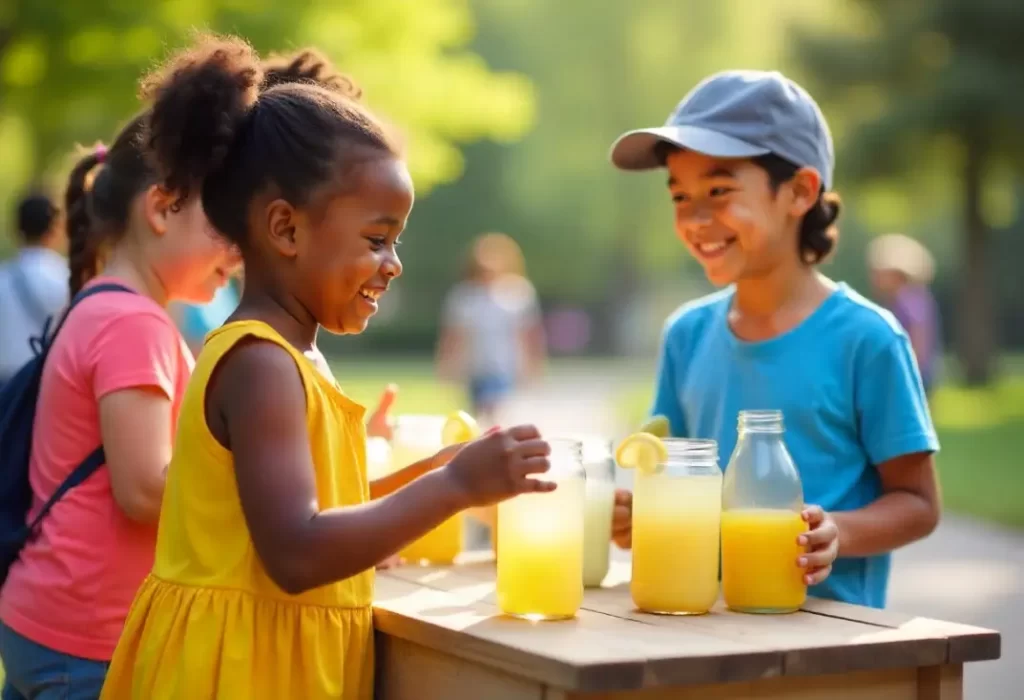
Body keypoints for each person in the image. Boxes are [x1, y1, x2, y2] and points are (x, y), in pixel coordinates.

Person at [100, 35, 556, 700]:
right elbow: (296, 550)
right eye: (376, 239)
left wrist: (433, 469)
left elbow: (317, 508)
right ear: (286, 229)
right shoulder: (260, 362)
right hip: (238, 676)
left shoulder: (293, 356)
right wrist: (454, 486)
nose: (393, 265)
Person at [607, 70, 940, 609]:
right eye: (680, 196)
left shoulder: (868, 339)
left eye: (718, 191)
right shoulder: (686, 335)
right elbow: (673, 475)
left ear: (800, 191)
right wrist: (639, 516)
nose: (695, 218)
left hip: (832, 637)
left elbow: (918, 502)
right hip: (703, 624)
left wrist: (838, 531)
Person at [0, 118, 240, 698]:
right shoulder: (134, 322)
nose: (238, 251)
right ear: (159, 208)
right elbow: (146, 491)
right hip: (88, 639)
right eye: (224, 223)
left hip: (51, 619)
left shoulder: (102, 303)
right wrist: (265, 483)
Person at [436, 232, 546, 424]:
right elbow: (453, 334)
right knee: (476, 414)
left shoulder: (517, 293)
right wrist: (446, 363)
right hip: (474, 366)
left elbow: (529, 333)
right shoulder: (464, 296)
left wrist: (534, 365)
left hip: (504, 366)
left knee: (496, 412)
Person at [0, 193, 68, 385]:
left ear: (17, 229)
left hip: (6, 386)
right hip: (48, 382)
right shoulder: (66, 277)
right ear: (56, 229)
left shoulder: (4, 277)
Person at [867, 233, 942, 395]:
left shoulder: (908, 301)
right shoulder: (907, 299)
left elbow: (918, 341)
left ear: (896, 274)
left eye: (879, 274)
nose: (874, 279)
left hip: (912, 377)